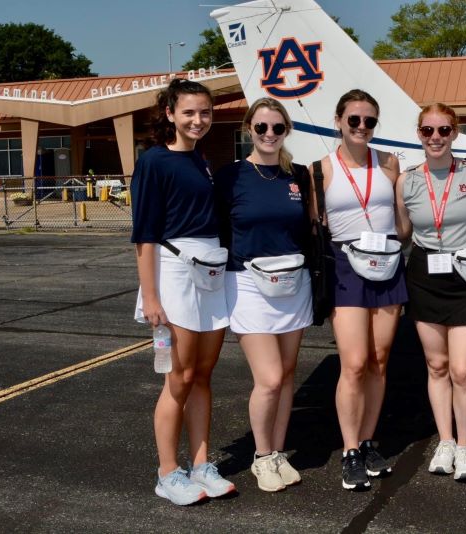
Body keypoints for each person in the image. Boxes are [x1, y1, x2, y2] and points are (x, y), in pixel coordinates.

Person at [130, 79, 235, 505]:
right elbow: (145, 235)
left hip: (210, 269)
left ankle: (201, 463)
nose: (198, 120)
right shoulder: (154, 161)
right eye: (189, 112)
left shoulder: (204, 162)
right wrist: (151, 297)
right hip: (174, 273)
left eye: (205, 112)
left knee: (204, 375)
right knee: (179, 378)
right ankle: (167, 472)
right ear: (170, 113)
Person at [213, 98, 312, 493]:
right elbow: (217, 228)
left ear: (286, 131)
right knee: (269, 378)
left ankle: (278, 451)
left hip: (293, 282)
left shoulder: (299, 176)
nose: (269, 134)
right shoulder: (232, 176)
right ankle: (261, 456)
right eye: (262, 128)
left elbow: (311, 227)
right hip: (248, 284)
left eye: (277, 128)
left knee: (287, 375)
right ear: (247, 129)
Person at [310, 89, 406, 491]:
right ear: (338, 120)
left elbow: (402, 219)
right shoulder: (322, 168)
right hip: (346, 266)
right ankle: (349, 449)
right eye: (354, 120)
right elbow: (316, 223)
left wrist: (397, 247)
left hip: (387, 262)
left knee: (379, 361)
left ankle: (368, 441)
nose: (362, 127)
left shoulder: (389, 163)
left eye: (369, 121)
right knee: (352, 362)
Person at [395, 103, 466, 481]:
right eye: (428, 131)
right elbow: (403, 232)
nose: (436, 137)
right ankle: (446, 440)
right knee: (436, 366)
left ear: (455, 132)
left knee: (463, 369)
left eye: (444, 130)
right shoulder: (406, 180)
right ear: (419, 133)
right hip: (425, 275)